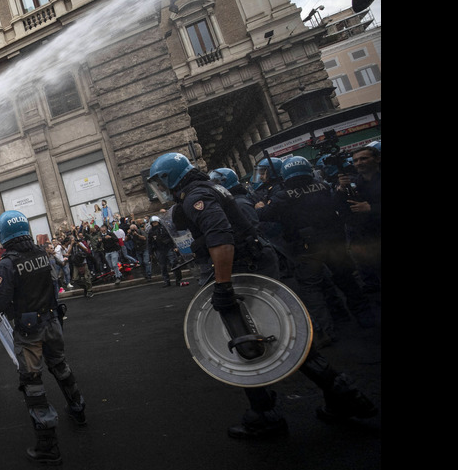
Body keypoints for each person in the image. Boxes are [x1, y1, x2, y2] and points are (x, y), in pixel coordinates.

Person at [147, 152, 377, 439]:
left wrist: (222, 286)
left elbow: (221, 237)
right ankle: (342, 393)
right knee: (278, 332)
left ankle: (266, 414)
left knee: (243, 340)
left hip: (242, 269)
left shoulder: (197, 195)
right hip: (252, 262)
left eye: (159, 182)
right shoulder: (208, 189)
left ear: (171, 176)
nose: (159, 189)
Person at [0, 210, 86, 465]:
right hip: (52, 322)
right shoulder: (40, 254)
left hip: (29, 332)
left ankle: (48, 445)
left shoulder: (6, 263)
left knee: (33, 383)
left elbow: (2, 303)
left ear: (4, 235)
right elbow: (52, 284)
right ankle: (78, 409)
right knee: (60, 366)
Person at [256, 156, 377, 332]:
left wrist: (261, 207)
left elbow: (264, 215)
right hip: (333, 241)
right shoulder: (324, 187)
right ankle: (365, 316)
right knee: (347, 280)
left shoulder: (283, 196)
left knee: (311, 288)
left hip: (306, 247)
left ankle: (325, 330)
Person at [338, 145, 381, 292]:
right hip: (367, 239)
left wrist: (371, 208)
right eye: (355, 160)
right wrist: (341, 191)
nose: (359, 163)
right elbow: (343, 210)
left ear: (377, 159)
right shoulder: (356, 183)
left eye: (364, 158)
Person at [147, 216, 185, 287]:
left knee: (174, 264)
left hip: (168, 248)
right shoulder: (151, 232)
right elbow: (149, 242)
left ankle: (178, 280)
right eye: (153, 223)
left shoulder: (164, 229)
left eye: (155, 222)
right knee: (163, 267)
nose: (155, 224)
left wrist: (174, 246)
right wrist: (151, 252)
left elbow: (171, 237)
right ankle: (166, 281)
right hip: (159, 250)